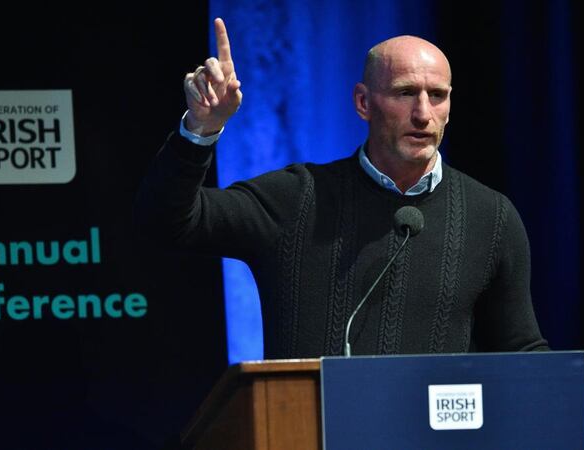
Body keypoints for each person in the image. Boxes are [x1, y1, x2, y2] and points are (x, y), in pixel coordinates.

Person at [135, 18, 549, 359]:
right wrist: (201, 128)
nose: (423, 113)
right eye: (405, 93)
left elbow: (521, 348)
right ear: (363, 103)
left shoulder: (490, 216)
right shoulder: (297, 199)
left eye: (437, 96)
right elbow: (166, 223)